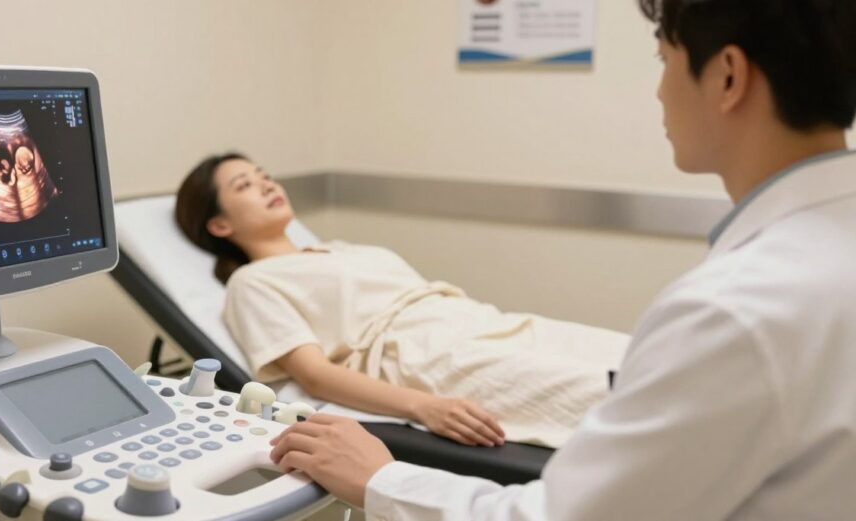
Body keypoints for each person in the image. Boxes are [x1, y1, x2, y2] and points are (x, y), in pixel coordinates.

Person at [268, 0, 856, 519]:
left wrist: (380, 479)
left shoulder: (733, 312)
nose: (659, 91)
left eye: (664, 60)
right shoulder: (815, 256)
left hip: (470, 330)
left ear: (728, 76)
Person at [175, 154, 629, 449]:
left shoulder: (337, 249)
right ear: (219, 225)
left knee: (640, 356)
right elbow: (314, 375)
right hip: (430, 358)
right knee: (606, 392)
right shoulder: (251, 284)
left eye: (265, 176)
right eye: (244, 185)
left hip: (486, 323)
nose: (266, 184)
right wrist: (422, 406)